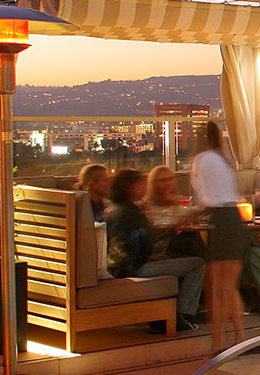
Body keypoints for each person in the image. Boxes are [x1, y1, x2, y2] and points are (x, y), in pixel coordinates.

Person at [103, 167, 203, 331]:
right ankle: (184, 315)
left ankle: (165, 314)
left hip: (117, 265)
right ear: (131, 187)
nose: (143, 186)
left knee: (168, 260)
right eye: (140, 182)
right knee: (197, 264)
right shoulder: (133, 212)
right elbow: (145, 241)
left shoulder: (113, 209)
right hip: (134, 268)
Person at [192, 122, 250, 350]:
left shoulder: (201, 160)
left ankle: (217, 343)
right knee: (229, 286)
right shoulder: (223, 160)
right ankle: (239, 338)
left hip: (221, 222)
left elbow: (204, 200)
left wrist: (186, 214)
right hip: (235, 220)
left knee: (216, 287)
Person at [140, 165, 208, 260]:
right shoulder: (147, 203)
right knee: (191, 239)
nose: (167, 183)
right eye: (162, 180)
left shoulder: (173, 200)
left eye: (170, 179)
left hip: (170, 243)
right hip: (157, 247)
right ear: (153, 184)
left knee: (193, 237)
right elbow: (162, 223)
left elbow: (185, 215)